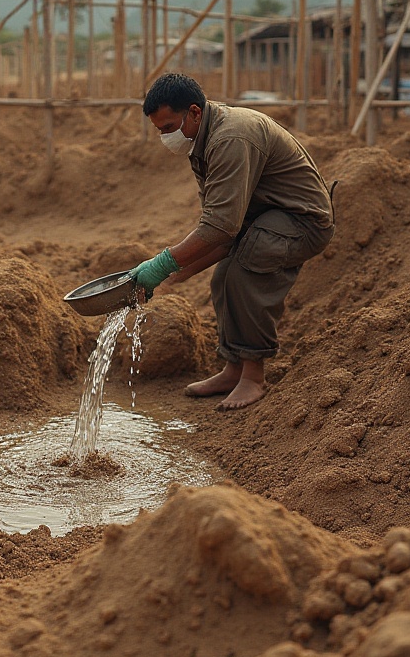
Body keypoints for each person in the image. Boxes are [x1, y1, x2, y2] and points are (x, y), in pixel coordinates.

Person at [130, 73, 335, 411]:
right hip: (262, 219)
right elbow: (223, 232)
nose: (165, 137)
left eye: (168, 128)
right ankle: (234, 367)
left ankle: (254, 376)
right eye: (159, 130)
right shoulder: (203, 142)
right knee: (224, 276)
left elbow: (220, 227)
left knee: (245, 273)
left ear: (194, 112)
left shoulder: (231, 137)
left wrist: (162, 263)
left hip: (302, 221)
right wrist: (170, 276)